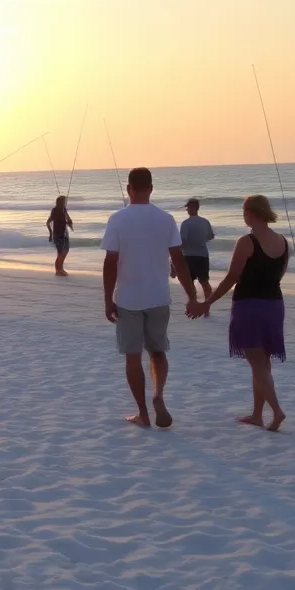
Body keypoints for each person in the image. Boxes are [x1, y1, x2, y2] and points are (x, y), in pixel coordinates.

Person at [101, 167, 200, 429]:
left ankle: (143, 414)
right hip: (158, 297)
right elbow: (178, 259)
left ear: (128, 189)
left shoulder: (117, 219)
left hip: (128, 298)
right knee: (157, 351)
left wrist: (107, 298)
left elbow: (110, 262)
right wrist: (191, 294)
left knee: (132, 357)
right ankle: (158, 396)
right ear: (151, 188)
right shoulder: (166, 219)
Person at [189, 195, 289, 431]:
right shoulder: (283, 241)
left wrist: (208, 302)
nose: (244, 216)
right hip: (274, 305)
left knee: (257, 363)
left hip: (249, 306)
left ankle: (276, 411)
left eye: (244, 211)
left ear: (251, 213)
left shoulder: (247, 241)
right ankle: (257, 414)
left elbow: (232, 278)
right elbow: (279, 275)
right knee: (262, 362)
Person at [178, 198, 216, 301]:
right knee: (204, 281)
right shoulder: (205, 221)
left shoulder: (186, 223)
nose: (187, 210)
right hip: (203, 255)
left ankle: (193, 302)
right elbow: (211, 236)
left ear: (192, 208)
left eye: (188, 207)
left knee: (190, 282)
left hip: (189, 256)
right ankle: (207, 305)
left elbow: (183, 240)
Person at [47, 196, 75, 276]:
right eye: (64, 201)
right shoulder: (55, 210)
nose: (65, 203)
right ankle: (58, 270)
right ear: (59, 202)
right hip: (57, 234)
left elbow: (69, 220)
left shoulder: (64, 209)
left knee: (65, 251)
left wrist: (69, 223)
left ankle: (61, 268)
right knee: (60, 253)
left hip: (65, 234)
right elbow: (48, 222)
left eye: (65, 201)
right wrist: (50, 233)